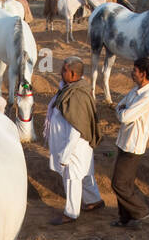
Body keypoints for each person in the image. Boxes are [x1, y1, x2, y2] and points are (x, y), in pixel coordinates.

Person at [43, 57, 104, 225]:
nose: (60, 73)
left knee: (72, 178)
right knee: (85, 175)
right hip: (77, 147)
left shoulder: (77, 95)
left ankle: (71, 213)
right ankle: (94, 200)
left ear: (72, 73)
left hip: (74, 148)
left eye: (63, 71)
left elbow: (76, 130)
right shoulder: (71, 89)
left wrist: (64, 155)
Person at [111, 58, 149, 227]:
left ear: (143, 74)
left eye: (135, 70)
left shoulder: (147, 97)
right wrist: (122, 110)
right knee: (126, 184)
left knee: (118, 183)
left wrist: (122, 111)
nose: (132, 72)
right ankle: (125, 218)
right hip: (124, 142)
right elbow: (119, 107)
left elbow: (123, 116)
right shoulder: (135, 91)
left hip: (133, 145)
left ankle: (141, 212)